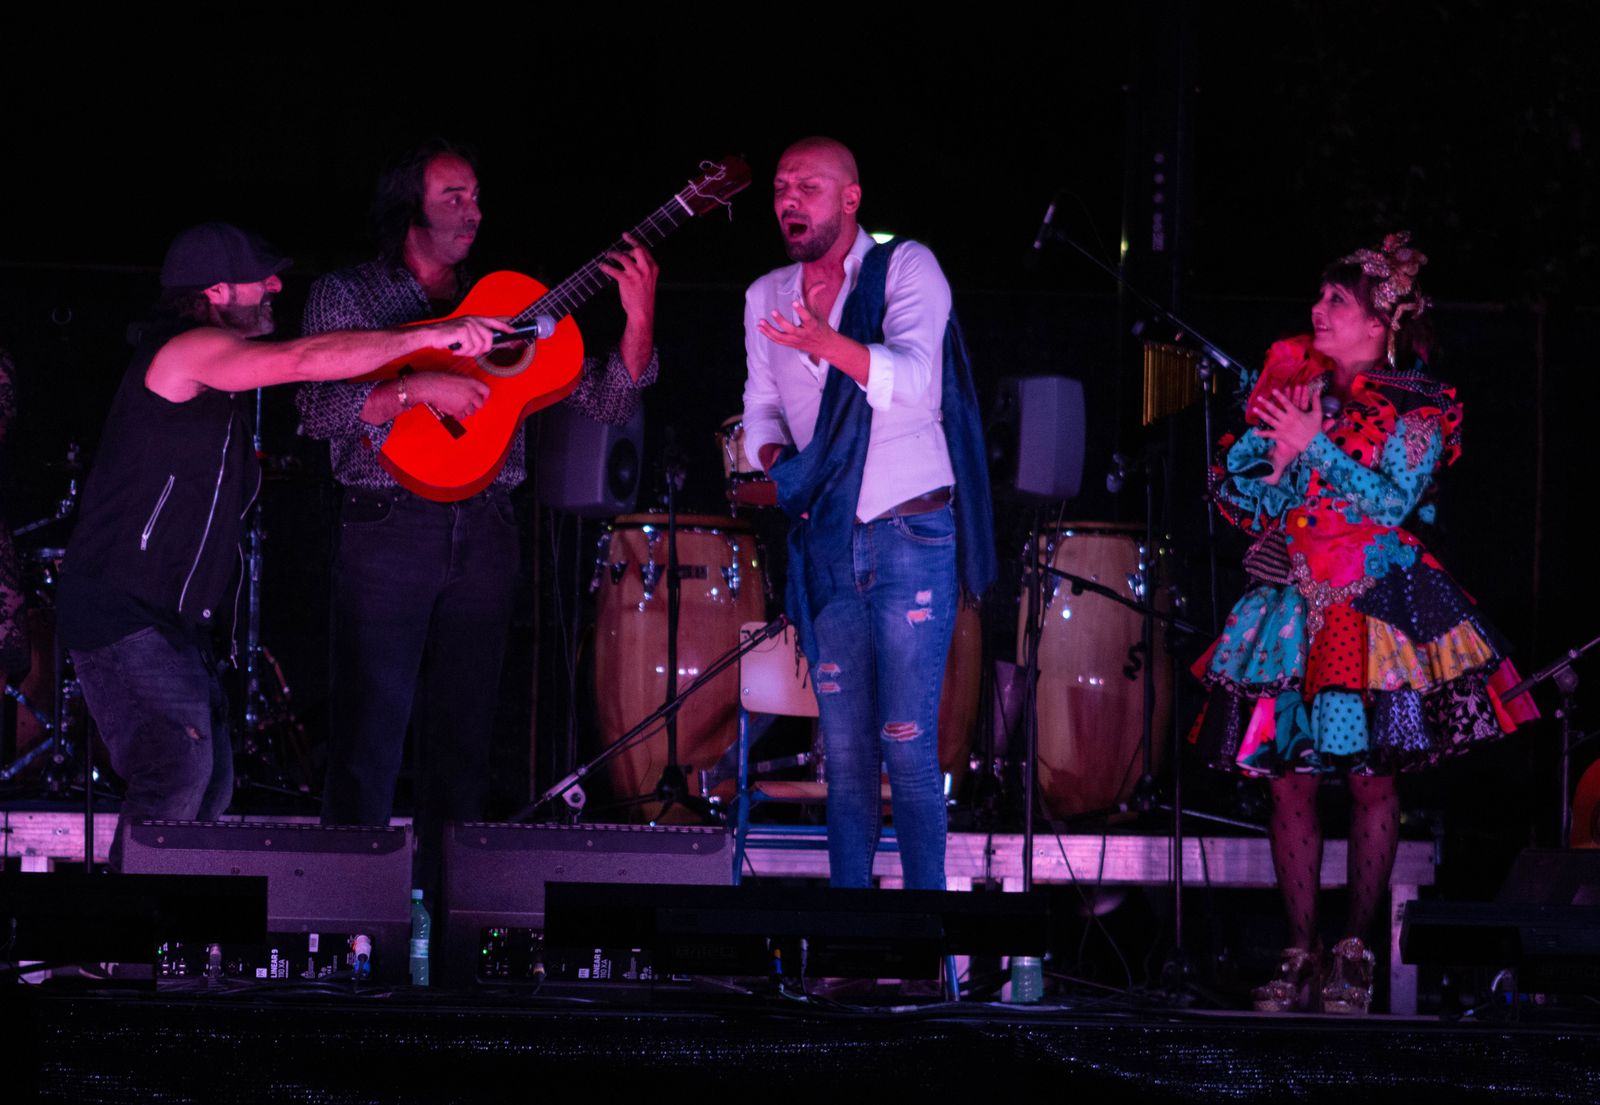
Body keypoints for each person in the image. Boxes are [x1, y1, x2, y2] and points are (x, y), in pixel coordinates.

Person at [57, 222, 509, 869]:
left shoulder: (216, 380)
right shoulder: (184, 350)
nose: (275, 286)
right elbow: (303, 360)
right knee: (178, 770)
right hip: (120, 607)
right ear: (215, 291)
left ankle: (161, 945)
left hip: (166, 618)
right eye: (259, 277)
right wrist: (434, 336)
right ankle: (117, 948)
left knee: (207, 783)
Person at [294, 140, 658, 886]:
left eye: (477, 195)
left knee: (462, 748)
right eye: (454, 196)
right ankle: (344, 932)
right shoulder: (349, 296)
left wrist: (638, 320)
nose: (475, 211)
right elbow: (318, 408)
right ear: (409, 207)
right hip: (386, 523)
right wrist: (415, 388)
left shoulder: (511, 303)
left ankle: (442, 941)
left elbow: (607, 398)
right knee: (366, 740)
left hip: (487, 528)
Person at [1190, 233, 1538, 1013]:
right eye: (1318, 297)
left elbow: (1392, 503)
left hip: (1370, 608)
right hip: (1291, 608)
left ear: (1381, 322)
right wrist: (1274, 485)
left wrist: (1315, 447)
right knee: (1289, 776)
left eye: (1335, 301)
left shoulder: (1419, 404)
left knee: (1367, 771)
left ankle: (1355, 951)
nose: (1316, 310)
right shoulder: (1289, 385)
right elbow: (1241, 498)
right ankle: (1299, 949)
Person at [741, 137, 993, 891]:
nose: (790, 198)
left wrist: (827, 340)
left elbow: (917, 381)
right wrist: (778, 464)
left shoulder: (906, 267)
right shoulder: (764, 295)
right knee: (844, 758)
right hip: (827, 537)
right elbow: (761, 408)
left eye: (808, 186)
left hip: (909, 529)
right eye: (782, 185)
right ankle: (850, 952)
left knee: (907, 744)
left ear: (851, 199)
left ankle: (925, 946)